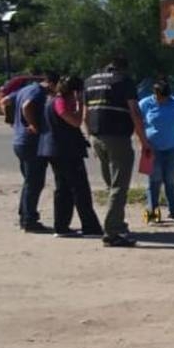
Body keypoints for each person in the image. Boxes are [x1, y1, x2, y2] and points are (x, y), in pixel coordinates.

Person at [85, 59, 149, 247]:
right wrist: (144, 141)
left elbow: (85, 114)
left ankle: (117, 223)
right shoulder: (123, 81)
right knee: (119, 186)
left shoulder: (89, 81)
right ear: (122, 68)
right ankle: (113, 232)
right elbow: (134, 112)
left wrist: (91, 138)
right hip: (117, 137)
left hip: (97, 137)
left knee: (111, 185)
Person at [42, 76, 103, 237]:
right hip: (66, 151)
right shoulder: (60, 102)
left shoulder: (52, 100)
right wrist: (81, 105)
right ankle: (90, 226)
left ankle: (61, 226)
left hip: (56, 150)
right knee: (80, 189)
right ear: (75, 91)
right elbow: (75, 122)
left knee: (64, 189)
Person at [1, 72, 57, 232]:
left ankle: (24, 216)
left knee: (29, 182)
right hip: (31, 143)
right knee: (35, 182)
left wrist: (11, 120)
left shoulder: (25, 89)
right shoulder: (38, 92)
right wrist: (33, 124)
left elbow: (5, 101)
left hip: (19, 141)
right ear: (52, 83)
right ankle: (29, 220)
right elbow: (27, 106)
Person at [139, 79, 174, 223]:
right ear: (155, 93)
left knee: (170, 180)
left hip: (172, 148)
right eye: (162, 97)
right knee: (154, 181)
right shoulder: (145, 104)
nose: (165, 100)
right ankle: (152, 212)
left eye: (167, 97)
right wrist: (143, 143)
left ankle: (173, 211)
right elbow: (138, 125)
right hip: (151, 149)